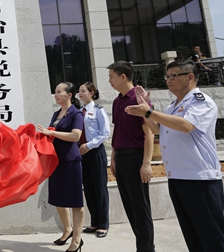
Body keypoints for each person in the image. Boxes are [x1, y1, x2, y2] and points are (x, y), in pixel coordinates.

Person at [125, 60, 224, 252]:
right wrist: (146, 108)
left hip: (199, 179)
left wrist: (150, 111)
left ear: (190, 77)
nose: (169, 80)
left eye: (173, 76)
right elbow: (158, 128)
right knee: (192, 235)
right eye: (167, 76)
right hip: (178, 178)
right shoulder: (172, 106)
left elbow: (186, 126)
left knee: (212, 236)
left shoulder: (201, 101)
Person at [107, 61, 155, 252]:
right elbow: (117, 130)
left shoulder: (139, 99)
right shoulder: (117, 101)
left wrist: (146, 163)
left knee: (141, 209)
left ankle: (146, 249)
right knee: (130, 207)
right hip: (121, 158)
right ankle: (142, 246)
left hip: (136, 158)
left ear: (123, 77)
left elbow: (150, 132)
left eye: (111, 76)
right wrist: (113, 157)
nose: (109, 80)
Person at [36, 82, 85, 252]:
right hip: (56, 162)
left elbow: (75, 136)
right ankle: (67, 230)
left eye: (59, 92)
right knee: (58, 198)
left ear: (69, 95)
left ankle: (77, 241)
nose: (55, 94)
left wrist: (52, 133)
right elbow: (52, 136)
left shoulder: (76, 114)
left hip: (71, 162)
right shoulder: (57, 113)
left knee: (75, 202)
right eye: (55, 92)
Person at [77, 82, 110, 238]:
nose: (80, 93)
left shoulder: (98, 111)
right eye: (79, 91)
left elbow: (105, 133)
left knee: (100, 188)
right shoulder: (78, 112)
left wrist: (89, 145)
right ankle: (94, 222)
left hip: (95, 152)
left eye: (83, 91)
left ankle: (103, 225)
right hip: (82, 154)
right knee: (89, 189)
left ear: (92, 93)